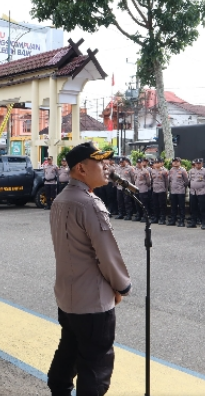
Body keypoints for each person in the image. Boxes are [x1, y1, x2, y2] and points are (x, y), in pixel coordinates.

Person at [47, 142, 131, 396]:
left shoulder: (61, 200)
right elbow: (107, 255)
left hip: (67, 296)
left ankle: (58, 390)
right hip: (93, 301)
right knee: (96, 364)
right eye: (99, 162)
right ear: (81, 169)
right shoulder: (90, 204)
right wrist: (122, 286)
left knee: (69, 350)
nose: (106, 166)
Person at [187, 158, 205, 229]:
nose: (198, 165)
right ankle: (193, 222)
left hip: (202, 192)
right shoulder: (191, 171)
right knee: (193, 208)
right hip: (193, 192)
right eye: (196, 164)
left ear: (202, 164)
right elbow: (189, 181)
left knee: (202, 208)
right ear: (195, 164)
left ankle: (203, 223)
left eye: (199, 164)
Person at [168, 157, 188, 227]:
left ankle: (182, 221)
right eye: (174, 161)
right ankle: (173, 220)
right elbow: (169, 180)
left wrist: (182, 188)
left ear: (180, 162)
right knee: (173, 207)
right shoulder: (171, 170)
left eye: (177, 161)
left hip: (180, 191)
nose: (175, 163)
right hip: (173, 191)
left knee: (181, 207)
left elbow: (186, 181)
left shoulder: (183, 170)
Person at [151, 159, 168, 225]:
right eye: (155, 163)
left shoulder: (164, 171)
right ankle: (156, 217)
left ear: (160, 163)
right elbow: (152, 180)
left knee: (162, 205)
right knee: (155, 204)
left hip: (162, 190)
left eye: (157, 163)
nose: (156, 164)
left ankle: (162, 218)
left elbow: (167, 182)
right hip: (155, 189)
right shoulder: (153, 171)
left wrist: (166, 190)